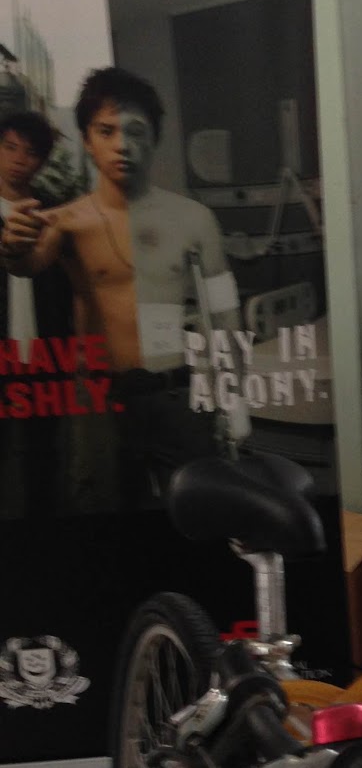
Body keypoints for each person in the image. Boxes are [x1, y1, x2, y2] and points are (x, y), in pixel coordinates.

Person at [1, 67, 242, 497]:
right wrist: (13, 246)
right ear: (87, 140)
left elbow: (224, 316)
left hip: (176, 391)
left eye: (135, 131)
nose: (122, 145)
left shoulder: (194, 219)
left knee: (195, 513)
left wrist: (234, 401)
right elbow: (28, 266)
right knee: (103, 519)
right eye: (106, 131)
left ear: (154, 139)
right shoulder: (66, 221)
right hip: (99, 398)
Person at [0, 110, 74, 517]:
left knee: (43, 453)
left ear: (42, 160)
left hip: (44, 352)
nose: (18, 159)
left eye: (30, 152)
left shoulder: (54, 214)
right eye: (9, 147)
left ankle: (42, 529)